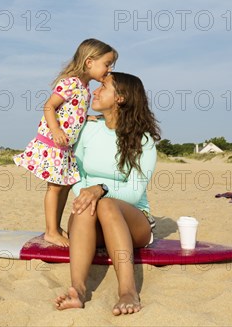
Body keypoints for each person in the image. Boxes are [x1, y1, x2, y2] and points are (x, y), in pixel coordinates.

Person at [54, 71, 160, 316]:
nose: (95, 91)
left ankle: (128, 291)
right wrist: (88, 192)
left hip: (133, 223)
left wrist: (100, 190)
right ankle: (77, 290)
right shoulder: (89, 130)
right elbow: (74, 173)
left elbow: (135, 191)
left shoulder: (143, 140)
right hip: (89, 221)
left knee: (105, 204)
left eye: (103, 87)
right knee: (87, 203)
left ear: (121, 98)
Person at [14, 39, 118, 247]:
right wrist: (56, 130)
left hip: (64, 148)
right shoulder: (70, 83)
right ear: (89, 62)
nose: (108, 70)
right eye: (106, 64)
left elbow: (72, 110)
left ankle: (56, 227)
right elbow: (49, 107)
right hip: (53, 144)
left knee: (62, 187)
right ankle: (50, 231)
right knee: (54, 189)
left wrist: (83, 117)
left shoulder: (85, 88)